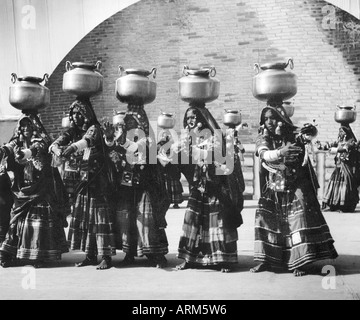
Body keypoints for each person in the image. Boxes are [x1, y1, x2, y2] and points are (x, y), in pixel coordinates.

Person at [250, 105, 338, 276]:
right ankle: (266, 260)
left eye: (273, 118)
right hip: (274, 186)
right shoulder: (263, 138)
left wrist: (310, 131)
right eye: (266, 118)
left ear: (281, 119)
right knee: (266, 220)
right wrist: (281, 152)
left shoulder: (292, 135)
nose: (270, 122)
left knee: (299, 219)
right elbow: (264, 155)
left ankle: (298, 261)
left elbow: (307, 135)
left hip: (294, 183)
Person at [173, 105, 244, 273]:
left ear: (203, 120)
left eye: (194, 117)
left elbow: (215, 158)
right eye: (188, 118)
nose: (191, 121)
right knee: (192, 219)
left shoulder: (214, 138)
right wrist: (175, 155)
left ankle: (224, 259)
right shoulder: (188, 139)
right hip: (198, 187)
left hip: (216, 188)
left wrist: (192, 151)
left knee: (217, 222)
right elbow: (182, 165)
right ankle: (189, 258)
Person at [50, 98, 116, 270]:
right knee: (86, 218)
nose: (75, 116)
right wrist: (57, 149)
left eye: (79, 113)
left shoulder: (94, 129)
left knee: (100, 217)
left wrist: (71, 148)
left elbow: (86, 141)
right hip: (82, 181)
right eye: (73, 113)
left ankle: (106, 257)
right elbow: (55, 143)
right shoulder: (71, 132)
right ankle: (90, 255)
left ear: (86, 114)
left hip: (98, 179)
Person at [103, 104, 170, 268]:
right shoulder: (123, 137)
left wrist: (121, 142)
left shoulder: (147, 139)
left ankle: (155, 253)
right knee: (126, 219)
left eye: (133, 123)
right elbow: (113, 150)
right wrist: (110, 139)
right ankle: (129, 253)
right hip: (126, 185)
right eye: (128, 123)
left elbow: (136, 150)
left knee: (146, 220)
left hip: (145, 185)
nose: (129, 126)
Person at [0, 113, 68, 268]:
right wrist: (3, 152)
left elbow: (34, 150)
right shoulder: (16, 142)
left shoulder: (40, 143)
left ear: (34, 127)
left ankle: (39, 256)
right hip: (23, 190)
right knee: (15, 221)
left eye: (29, 125)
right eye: (23, 126)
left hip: (40, 188)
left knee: (38, 221)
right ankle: (7, 253)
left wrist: (24, 153)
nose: (26, 128)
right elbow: (9, 148)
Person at [321, 125, 360, 212]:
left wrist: (336, 150)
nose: (340, 133)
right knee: (334, 185)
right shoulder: (339, 141)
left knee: (346, 184)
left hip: (346, 167)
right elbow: (330, 146)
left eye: (342, 131)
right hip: (338, 167)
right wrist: (323, 146)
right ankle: (334, 205)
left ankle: (345, 206)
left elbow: (346, 148)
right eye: (340, 131)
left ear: (347, 133)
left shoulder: (351, 141)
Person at [157, 129, 184, 209]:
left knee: (173, 183)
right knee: (166, 186)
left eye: (166, 135)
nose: (165, 136)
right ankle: (166, 201)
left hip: (172, 167)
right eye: (163, 135)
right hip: (163, 167)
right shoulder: (158, 145)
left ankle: (176, 202)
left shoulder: (172, 145)